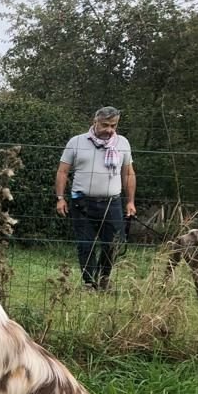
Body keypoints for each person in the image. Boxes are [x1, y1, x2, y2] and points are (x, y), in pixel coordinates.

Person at [55, 106, 136, 291]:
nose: (109, 130)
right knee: (86, 244)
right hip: (82, 202)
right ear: (95, 122)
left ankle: (104, 278)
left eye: (113, 126)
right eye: (105, 125)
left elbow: (129, 174)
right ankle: (89, 282)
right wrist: (60, 198)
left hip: (112, 202)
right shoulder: (76, 142)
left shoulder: (122, 143)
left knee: (114, 243)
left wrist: (130, 201)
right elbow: (62, 171)